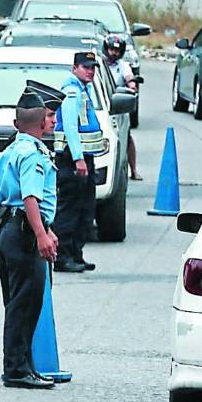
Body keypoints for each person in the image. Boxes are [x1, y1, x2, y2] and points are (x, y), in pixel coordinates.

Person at [0, 87, 59, 390]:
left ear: (17, 123)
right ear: (42, 123)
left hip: (9, 230)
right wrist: (41, 234)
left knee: (16, 303)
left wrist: (4, 229)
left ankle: (23, 365)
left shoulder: (9, 151)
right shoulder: (33, 155)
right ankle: (16, 370)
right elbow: (31, 197)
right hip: (24, 234)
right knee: (26, 305)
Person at [54, 51, 104, 274]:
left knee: (85, 209)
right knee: (70, 209)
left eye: (93, 67)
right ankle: (62, 257)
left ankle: (76, 254)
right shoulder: (72, 91)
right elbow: (70, 128)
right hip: (73, 159)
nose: (90, 71)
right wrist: (78, 159)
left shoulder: (83, 89)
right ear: (75, 68)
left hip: (84, 158)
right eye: (86, 67)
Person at [103, 35, 142, 181]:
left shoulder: (123, 65)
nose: (114, 53)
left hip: (117, 106)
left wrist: (132, 86)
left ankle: (133, 170)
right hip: (102, 105)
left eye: (117, 51)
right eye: (111, 49)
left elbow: (129, 78)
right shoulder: (99, 64)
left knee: (127, 137)